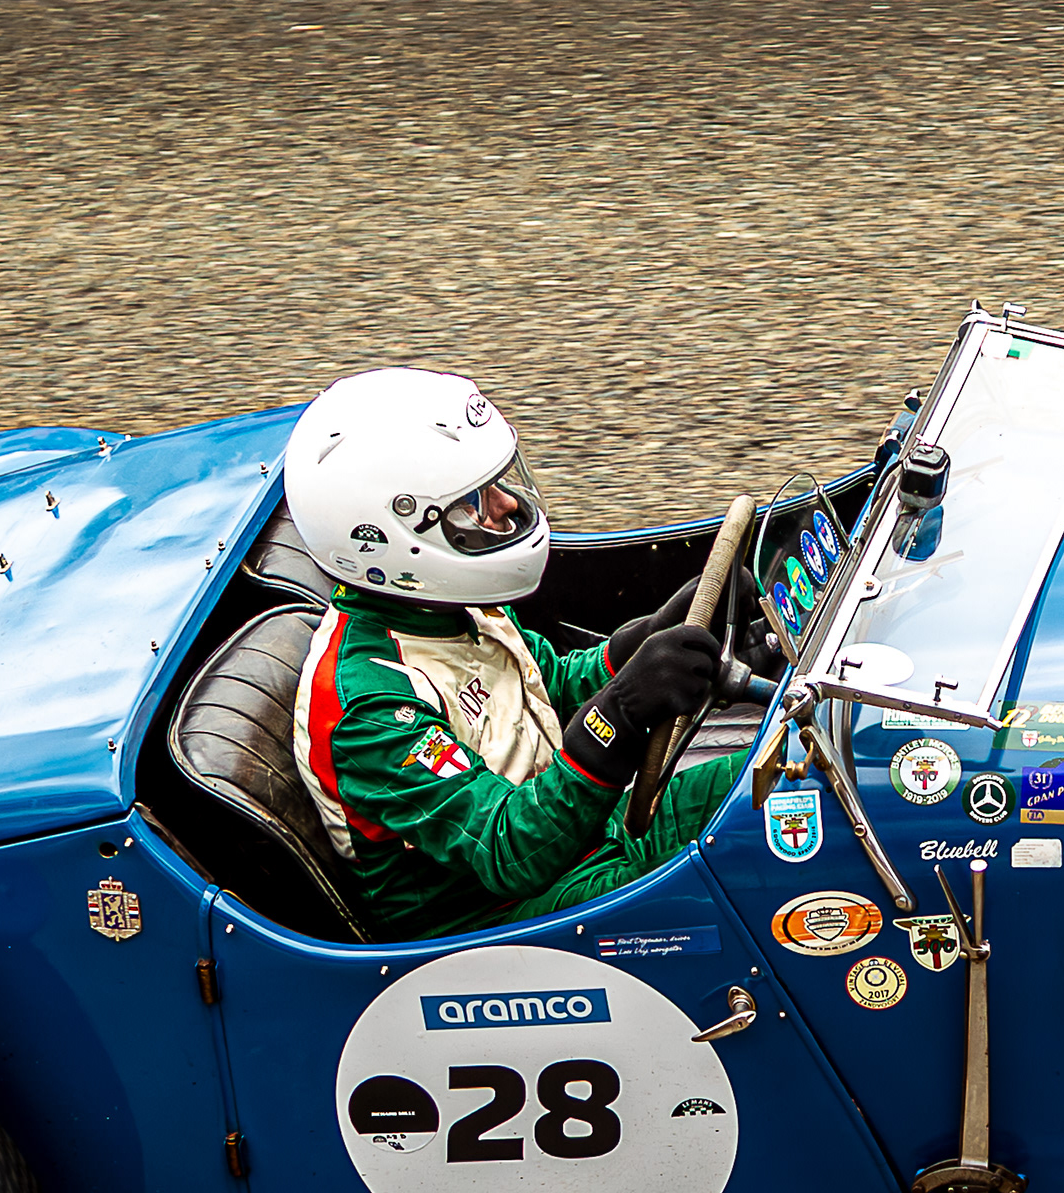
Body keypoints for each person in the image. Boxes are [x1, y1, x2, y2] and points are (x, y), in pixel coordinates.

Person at [280, 366, 744, 939]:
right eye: (472, 501)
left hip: (587, 836)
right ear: (394, 535)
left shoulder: (452, 606)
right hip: (504, 923)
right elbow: (509, 849)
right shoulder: (369, 707)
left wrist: (640, 644)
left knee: (795, 780)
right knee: (763, 859)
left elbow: (542, 686)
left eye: (498, 482)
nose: (504, 505)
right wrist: (621, 711)